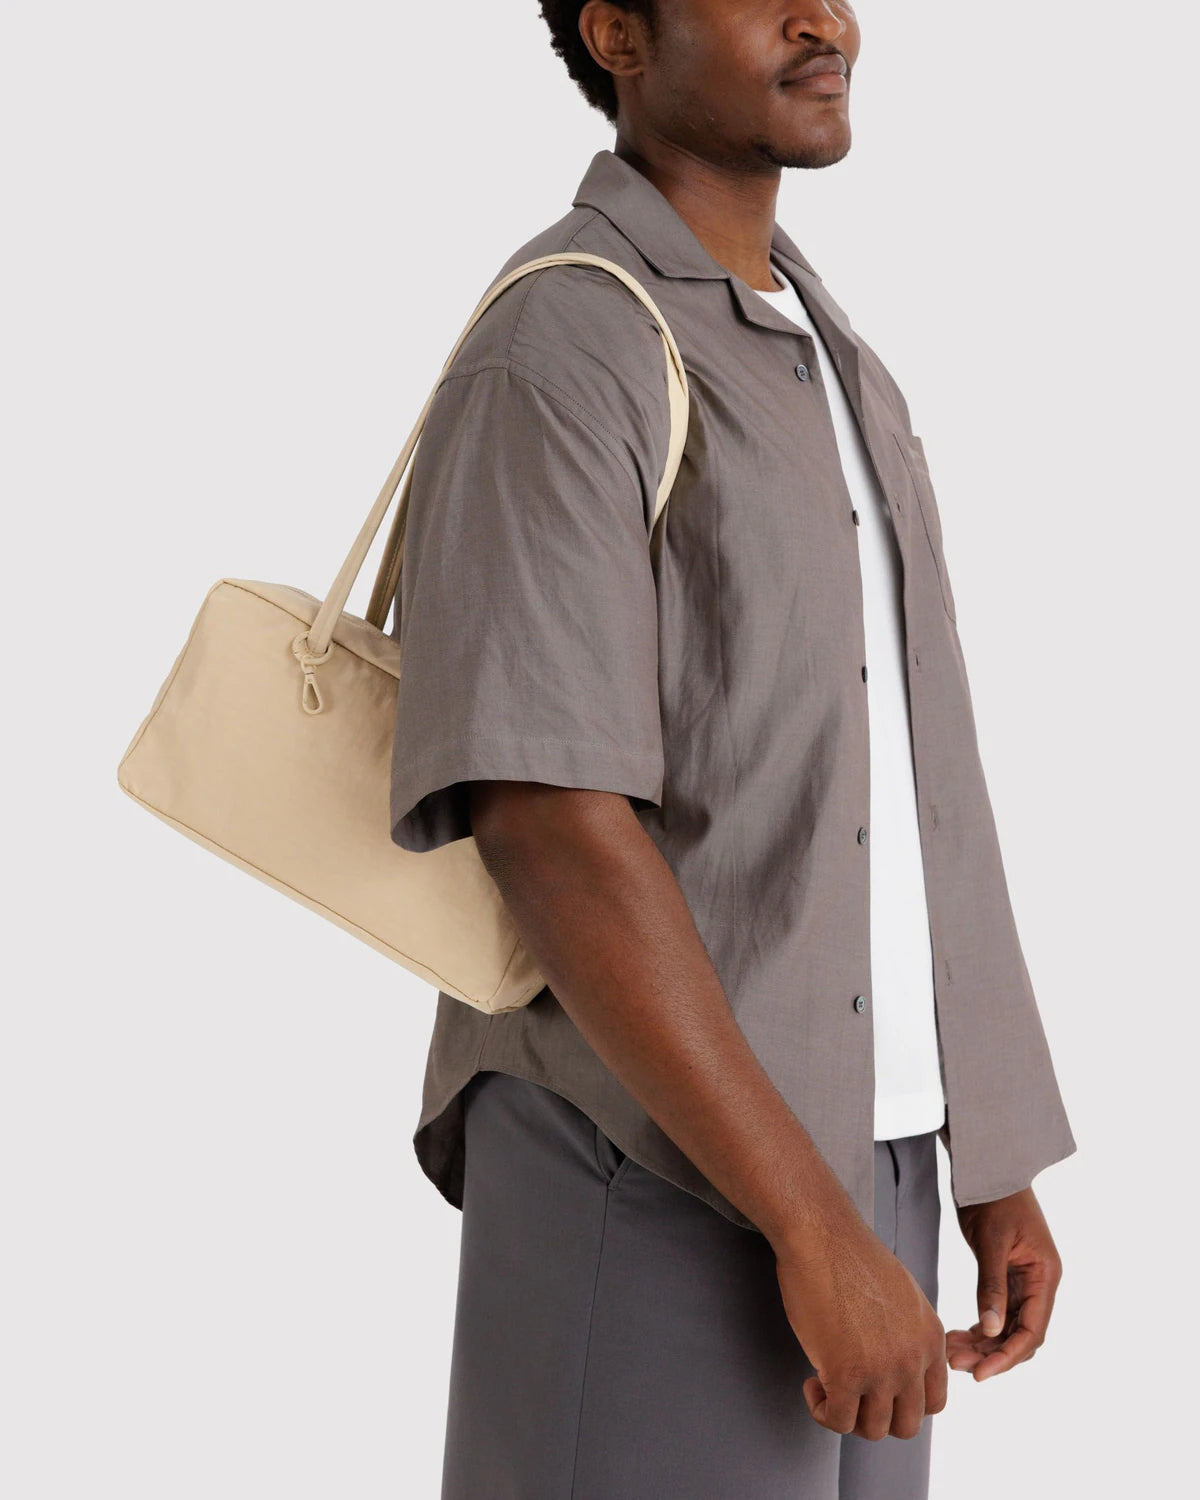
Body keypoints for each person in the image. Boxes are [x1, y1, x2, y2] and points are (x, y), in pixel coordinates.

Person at [387, 3, 1077, 1495]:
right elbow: (547, 816)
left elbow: (904, 771)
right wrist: (813, 1227)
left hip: (867, 1167)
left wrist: (984, 1150)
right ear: (618, 35)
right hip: (649, 1166)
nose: (822, 18)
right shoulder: (566, 340)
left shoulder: (824, 347)